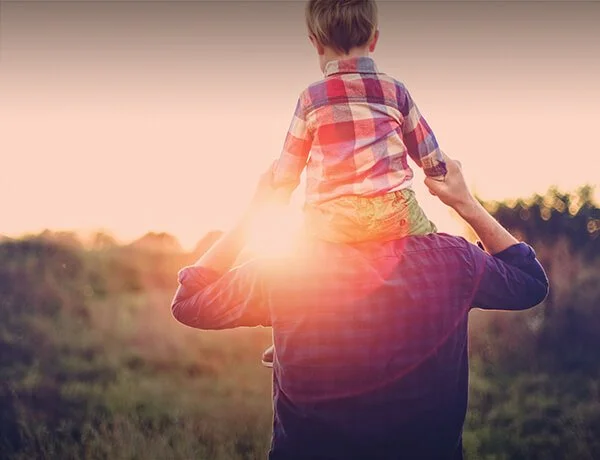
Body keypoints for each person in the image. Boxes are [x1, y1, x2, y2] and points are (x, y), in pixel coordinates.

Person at [171, 154, 549, 459]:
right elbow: (529, 280)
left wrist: (257, 211)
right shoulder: (454, 261)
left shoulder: (286, 268)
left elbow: (190, 301)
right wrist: (464, 202)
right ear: (399, 183)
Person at [265, 0, 447, 365]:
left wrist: (277, 191)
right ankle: (428, 320)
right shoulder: (397, 92)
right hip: (394, 213)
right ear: (375, 39)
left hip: (330, 222)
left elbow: (287, 171)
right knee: (434, 244)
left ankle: (285, 334)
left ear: (315, 42)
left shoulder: (311, 98)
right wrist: (441, 172)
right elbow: (430, 155)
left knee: (295, 267)